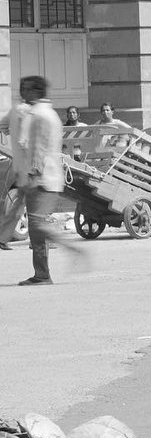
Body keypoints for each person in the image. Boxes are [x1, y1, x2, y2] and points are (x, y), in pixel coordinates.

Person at [15, 76, 76, 285]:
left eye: (25, 88)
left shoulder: (39, 115)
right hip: (46, 178)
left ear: (34, 91)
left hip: (42, 179)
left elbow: (38, 149)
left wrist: (32, 175)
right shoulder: (47, 113)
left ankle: (45, 271)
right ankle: (42, 272)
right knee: (36, 226)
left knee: (37, 226)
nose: (21, 92)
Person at [0, 94, 32, 253]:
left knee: (20, 203)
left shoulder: (14, 110)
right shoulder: (32, 111)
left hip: (19, 161)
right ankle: (38, 240)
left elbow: (3, 126)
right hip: (31, 161)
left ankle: (2, 237)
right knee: (34, 202)